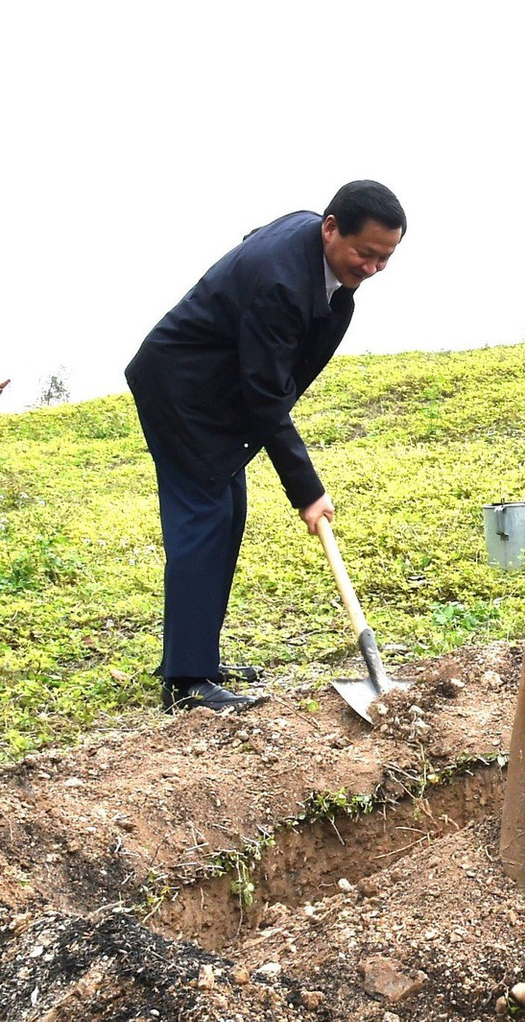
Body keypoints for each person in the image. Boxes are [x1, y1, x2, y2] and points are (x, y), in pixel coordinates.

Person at [127, 182, 405, 713]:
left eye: (385, 258)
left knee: (226, 513)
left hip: (218, 391)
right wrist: (307, 490)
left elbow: (268, 383)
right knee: (203, 521)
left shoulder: (311, 247)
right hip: (183, 392)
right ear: (330, 228)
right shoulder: (279, 282)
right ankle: (188, 682)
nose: (371, 268)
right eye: (364, 253)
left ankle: (197, 654)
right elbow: (267, 394)